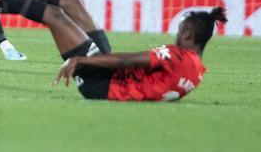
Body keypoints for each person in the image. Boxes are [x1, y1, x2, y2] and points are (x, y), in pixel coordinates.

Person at [52, 8, 228, 102]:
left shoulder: (176, 55)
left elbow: (126, 61)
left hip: (103, 83)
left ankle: (23, 2)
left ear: (187, 35)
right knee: (71, 10)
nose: (177, 36)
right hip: (111, 89)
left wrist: (80, 60)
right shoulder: (198, 73)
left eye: (180, 31)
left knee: (55, 15)